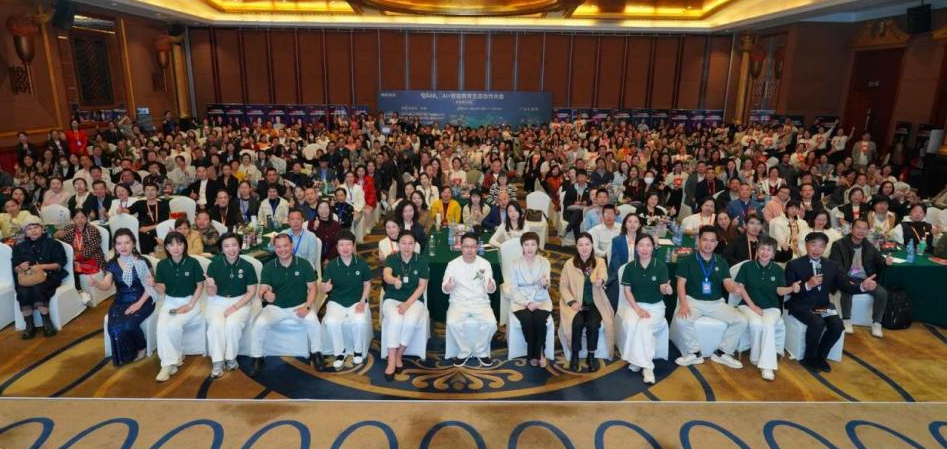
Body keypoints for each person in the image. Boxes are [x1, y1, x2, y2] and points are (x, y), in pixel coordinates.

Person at [785, 232, 879, 372]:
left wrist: (862, 286)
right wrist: (808, 285)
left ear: (825, 248)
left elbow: (846, 286)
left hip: (822, 305)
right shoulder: (794, 265)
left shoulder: (832, 265)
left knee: (838, 326)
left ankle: (820, 357)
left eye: (821, 246)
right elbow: (789, 291)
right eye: (813, 245)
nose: (817, 249)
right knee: (817, 323)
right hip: (801, 305)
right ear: (806, 245)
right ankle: (809, 358)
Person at [249, 233, 324, 377]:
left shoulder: (304, 264)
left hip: (299, 305)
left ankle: (316, 353)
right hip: (276, 307)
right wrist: (265, 295)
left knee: (313, 322)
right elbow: (262, 290)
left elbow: (313, 289)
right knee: (259, 324)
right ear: (274, 248)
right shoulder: (269, 267)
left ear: (292, 246)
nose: (282, 249)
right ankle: (257, 358)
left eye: (285, 246)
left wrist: (307, 306)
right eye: (278, 247)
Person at [673, 225, 748, 368]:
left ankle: (722, 353)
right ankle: (694, 353)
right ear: (699, 240)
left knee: (742, 321)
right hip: (693, 301)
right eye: (705, 240)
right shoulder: (688, 260)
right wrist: (683, 304)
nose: (708, 244)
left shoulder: (721, 261)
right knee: (681, 319)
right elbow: (680, 284)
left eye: (712, 241)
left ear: (716, 243)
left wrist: (735, 288)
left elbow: (727, 283)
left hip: (716, 303)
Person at [734, 236, 800, 381]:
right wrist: (753, 306)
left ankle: (767, 366)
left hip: (772, 307)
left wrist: (791, 288)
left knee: (768, 325)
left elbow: (779, 291)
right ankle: (755, 357)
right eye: (762, 249)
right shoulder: (747, 267)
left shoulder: (777, 269)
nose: (765, 252)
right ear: (757, 251)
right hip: (747, 306)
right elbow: (741, 288)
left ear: (773, 254)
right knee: (756, 323)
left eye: (769, 250)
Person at [91, 229, 158, 365]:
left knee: (128, 325)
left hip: (143, 299)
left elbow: (150, 286)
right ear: (115, 246)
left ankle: (141, 346)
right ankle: (126, 355)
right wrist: (96, 284)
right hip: (121, 301)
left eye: (127, 242)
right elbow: (106, 285)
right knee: (114, 328)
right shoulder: (112, 264)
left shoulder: (142, 261)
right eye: (119, 243)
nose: (123, 246)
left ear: (133, 244)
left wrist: (138, 304)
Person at [618, 233, 674, 384]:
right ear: (636, 248)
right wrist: (637, 309)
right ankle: (639, 361)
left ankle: (647, 367)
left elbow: (662, 287)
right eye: (641, 245)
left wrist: (667, 289)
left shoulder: (660, 266)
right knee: (630, 323)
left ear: (653, 248)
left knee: (644, 326)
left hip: (655, 307)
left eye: (648, 245)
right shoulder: (630, 267)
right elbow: (627, 291)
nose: (644, 249)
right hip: (634, 305)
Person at [151, 231, 205, 382]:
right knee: (161, 327)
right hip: (170, 301)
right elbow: (162, 290)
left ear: (184, 246)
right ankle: (172, 362)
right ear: (166, 247)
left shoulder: (193, 263)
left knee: (173, 326)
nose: (176, 248)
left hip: (190, 301)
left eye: (179, 244)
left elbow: (200, 286)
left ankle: (169, 364)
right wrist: (154, 284)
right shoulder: (162, 265)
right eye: (171, 244)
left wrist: (190, 304)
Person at [204, 233, 258, 378]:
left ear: (240, 247)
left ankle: (230, 358)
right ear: (221, 249)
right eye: (226, 246)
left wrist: (234, 307)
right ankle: (217, 361)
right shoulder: (214, 265)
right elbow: (211, 293)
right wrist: (211, 286)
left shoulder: (248, 266)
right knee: (215, 325)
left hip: (241, 301)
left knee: (233, 324)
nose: (231, 249)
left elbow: (251, 292)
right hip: (217, 300)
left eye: (234, 245)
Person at [559, 232, 614, 372]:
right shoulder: (569, 264)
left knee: (593, 324)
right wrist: (572, 302)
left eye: (587, 244)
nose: (584, 248)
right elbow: (563, 286)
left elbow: (603, 275)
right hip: (575, 303)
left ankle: (591, 355)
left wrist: (600, 280)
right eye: (581, 245)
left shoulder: (599, 262)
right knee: (576, 324)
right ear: (576, 247)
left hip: (594, 302)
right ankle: (575, 355)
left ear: (592, 245)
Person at [442, 232, 499, 367]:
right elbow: (445, 287)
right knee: (451, 323)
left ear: (477, 247)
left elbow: (490, 286)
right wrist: (448, 287)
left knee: (491, 323)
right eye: (466, 246)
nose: (469, 250)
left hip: (480, 301)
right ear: (460, 247)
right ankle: (465, 350)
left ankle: (481, 350)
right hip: (459, 302)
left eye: (473, 247)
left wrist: (491, 287)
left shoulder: (485, 264)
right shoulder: (452, 264)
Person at [380, 230, 430, 380]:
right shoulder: (391, 258)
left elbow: (422, 286)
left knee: (410, 322)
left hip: (414, 300)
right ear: (398, 244)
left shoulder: (421, 260)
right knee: (396, 321)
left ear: (415, 245)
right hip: (392, 299)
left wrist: (407, 304)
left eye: (410, 243)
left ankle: (399, 354)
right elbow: (386, 275)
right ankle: (391, 362)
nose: (407, 247)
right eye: (403, 243)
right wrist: (394, 280)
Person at [829, 218, 891, 338]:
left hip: (864, 279)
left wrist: (886, 262)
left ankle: (877, 323)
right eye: (858, 227)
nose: (861, 231)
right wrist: (846, 280)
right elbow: (836, 265)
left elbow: (880, 260)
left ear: (868, 231)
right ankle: (846, 320)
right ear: (852, 229)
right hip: (846, 277)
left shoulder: (869, 245)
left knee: (882, 293)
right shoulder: (839, 245)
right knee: (847, 289)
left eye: (864, 229)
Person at [320, 231, 372, 369]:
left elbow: (367, 284)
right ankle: (340, 352)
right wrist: (325, 287)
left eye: (348, 244)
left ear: (353, 246)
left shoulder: (361, 263)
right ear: (337, 248)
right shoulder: (331, 265)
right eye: (341, 245)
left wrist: (362, 301)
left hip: (356, 300)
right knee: (331, 322)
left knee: (359, 321)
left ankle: (357, 350)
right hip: (336, 301)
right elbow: (323, 287)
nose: (345, 248)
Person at [12, 217, 68, 339]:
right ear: (25, 232)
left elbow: (60, 263)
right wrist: (20, 266)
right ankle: (29, 325)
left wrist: (42, 266)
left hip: (50, 276)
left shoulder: (53, 243)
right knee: (22, 290)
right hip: (28, 278)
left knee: (38, 288)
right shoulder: (19, 247)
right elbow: (15, 267)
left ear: (42, 229)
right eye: (29, 228)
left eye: (36, 227)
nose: (33, 231)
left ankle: (46, 322)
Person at [509, 232, 553, 368]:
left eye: (533, 244)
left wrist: (545, 284)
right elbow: (513, 288)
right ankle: (533, 353)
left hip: (541, 298)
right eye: (526, 244)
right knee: (527, 320)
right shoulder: (515, 264)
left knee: (540, 320)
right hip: (521, 301)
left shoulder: (545, 262)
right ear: (522, 246)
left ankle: (540, 351)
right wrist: (527, 303)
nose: (529, 248)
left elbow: (547, 284)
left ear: (537, 246)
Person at [55, 208, 107, 306]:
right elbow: (61, 240)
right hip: (75, 258)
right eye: (77, 218)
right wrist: (58, 235)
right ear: (72, 219)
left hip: (91, 258)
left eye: (82, 217)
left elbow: (92, 248)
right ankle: (70, 293)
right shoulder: (70, 228)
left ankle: (79, 291)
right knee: (64, 265)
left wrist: (76, 257)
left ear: (87, 218)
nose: (80, 220)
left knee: (72, 268)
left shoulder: (92, 230)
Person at [128, 182, 169, 254]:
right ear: (144, 192)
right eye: (147, 190)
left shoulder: (163, 204)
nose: (150, 192)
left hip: (158, 230)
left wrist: (147, 228)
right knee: (142, 234)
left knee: (148, 234)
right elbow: (129, 210)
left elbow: (165, 221)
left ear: (157, 192)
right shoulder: (140, 203)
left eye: (153, 190)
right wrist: (122, 210)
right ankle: (146, 256)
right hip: (143, 231)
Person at [308, 199, 341, 265]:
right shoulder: (312, 223)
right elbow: (309, 241)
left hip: (333, 258)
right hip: (316, 258)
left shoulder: (336, 224)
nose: (324, 210)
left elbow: (338, 243)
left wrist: (329, 259)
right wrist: (315, 228)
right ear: (317, 211)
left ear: (330, 210)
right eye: (321, 208)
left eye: (326, 208)